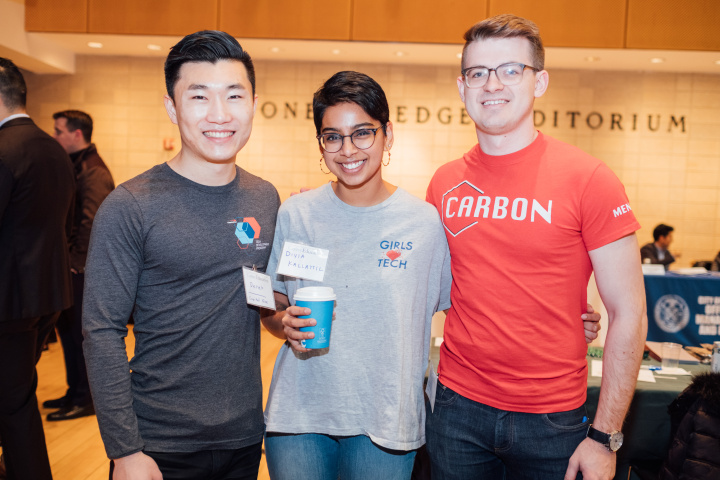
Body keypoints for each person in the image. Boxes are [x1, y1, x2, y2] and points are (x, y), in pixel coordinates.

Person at [259, 71, 603, 480]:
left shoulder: (423, 224)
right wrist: (283, 324)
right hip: (299, 414)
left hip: (386, 420)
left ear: (387, 134)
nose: (347, 149)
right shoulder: (297, 214)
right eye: (332, 136)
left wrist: (561, 319)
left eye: (362, 133)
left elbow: (478, 295)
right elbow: (274, 307)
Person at [424, 15, 647, 480]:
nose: (491, 84)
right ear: (462, 86)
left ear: (539, 81)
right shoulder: (444, 183)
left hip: (554, 422)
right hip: (457, 410)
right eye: (477, 72)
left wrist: (605, 439)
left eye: (510, 70)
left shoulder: (590, 179)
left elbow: (629, 314)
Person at [82, 31, 279, 480]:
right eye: (198, 97)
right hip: (157, 443)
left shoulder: (264, 197)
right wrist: (125, 450)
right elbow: (101, 330)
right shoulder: (130, 204)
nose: (220, 114)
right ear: (172, 107)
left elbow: (255, 293)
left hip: (245, 437)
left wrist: (281, 315)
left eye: (234, 95)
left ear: (253, 103)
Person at [0, 57, 75, 480]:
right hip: (45, 295)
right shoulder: (53, 148)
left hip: (8, 301)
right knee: (15, 397)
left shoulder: (4, 149)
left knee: (14, 405)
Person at [43, 109, 115, 421]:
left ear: (76, 134)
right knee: (68, 336)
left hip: (82, 271)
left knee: (80, 337)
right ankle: (75, 391)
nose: (55, 137)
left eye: (59, 131)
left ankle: (85, 398)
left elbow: (92, 222)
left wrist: (74, 264)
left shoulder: (93, 170)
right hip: (71, 267)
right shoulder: (76, 165)